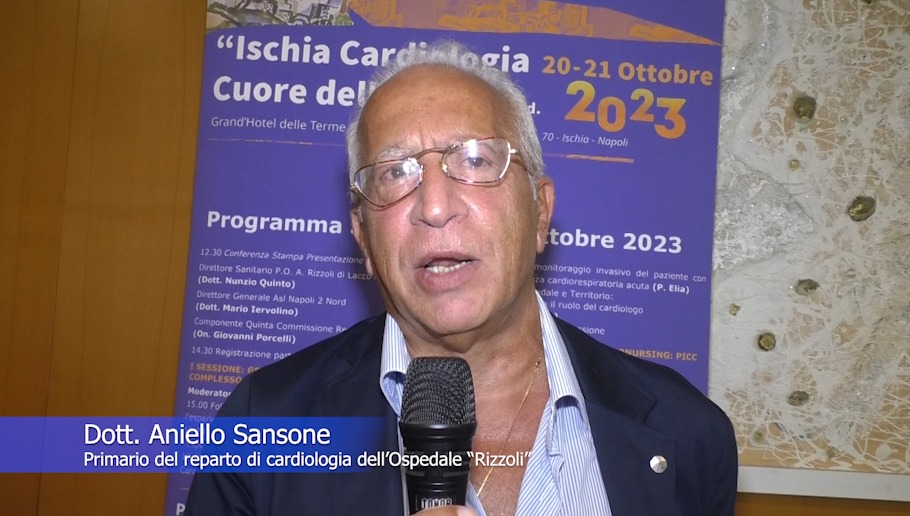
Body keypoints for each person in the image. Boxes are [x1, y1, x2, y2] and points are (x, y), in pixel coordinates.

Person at [185, 40, 738, 516]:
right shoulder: (261, 424)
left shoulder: (688, 431)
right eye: (395, 172)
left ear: (540, 212)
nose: (434, 206)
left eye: (474, 160)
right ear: (363, 238)